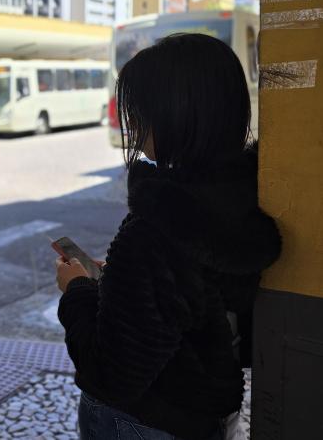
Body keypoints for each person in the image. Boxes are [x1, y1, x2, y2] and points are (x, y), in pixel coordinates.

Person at [55, 33, 281, 440]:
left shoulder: (155, 233)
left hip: (140, 423)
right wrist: (123, 285)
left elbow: (111, 375)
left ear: (176, 114)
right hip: (206, 416)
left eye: (141, 109)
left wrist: (77, 291)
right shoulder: (246, 200)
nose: (134, 122)